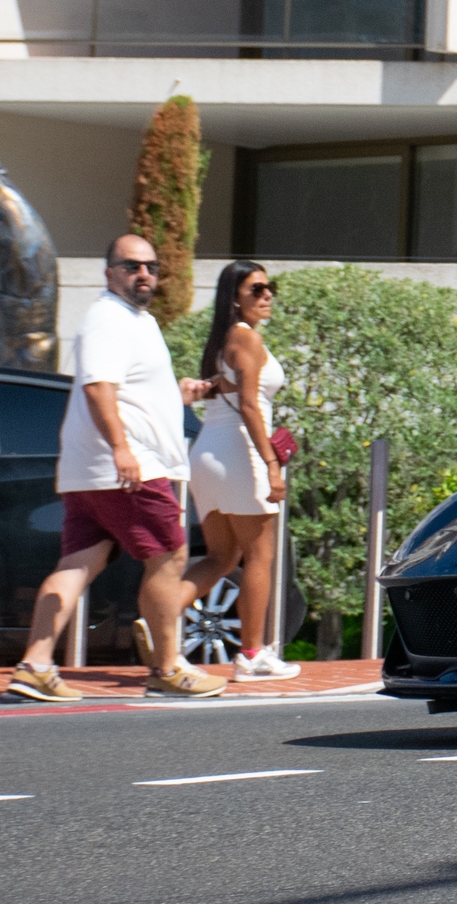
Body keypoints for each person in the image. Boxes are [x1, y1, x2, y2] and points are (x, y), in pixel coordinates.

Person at [6, 234, 226, 701]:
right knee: (170, 558)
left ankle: (36, 665)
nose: (143, 274)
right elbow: (98, 388)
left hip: (95, 473)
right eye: (131, 266)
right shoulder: (108, 319)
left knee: (78, 564)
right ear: (109, 273)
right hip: (129, 469)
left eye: (151, 267)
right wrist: (123, 449)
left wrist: (179, 394)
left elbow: (126, 390)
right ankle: (167, 669)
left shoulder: (134, 320)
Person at [184, 261, 298, 682]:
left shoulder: (222, 341)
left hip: (207, 453)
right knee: (259, 558)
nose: (267, 295)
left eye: (271, 287)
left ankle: (161, 614)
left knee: (220, 557)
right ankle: (253, 655)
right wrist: (272, 463)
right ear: (235, 297)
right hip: (240, 453)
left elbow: (224, 390)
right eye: (257, 289)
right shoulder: (246, 338)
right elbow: (250, 405)